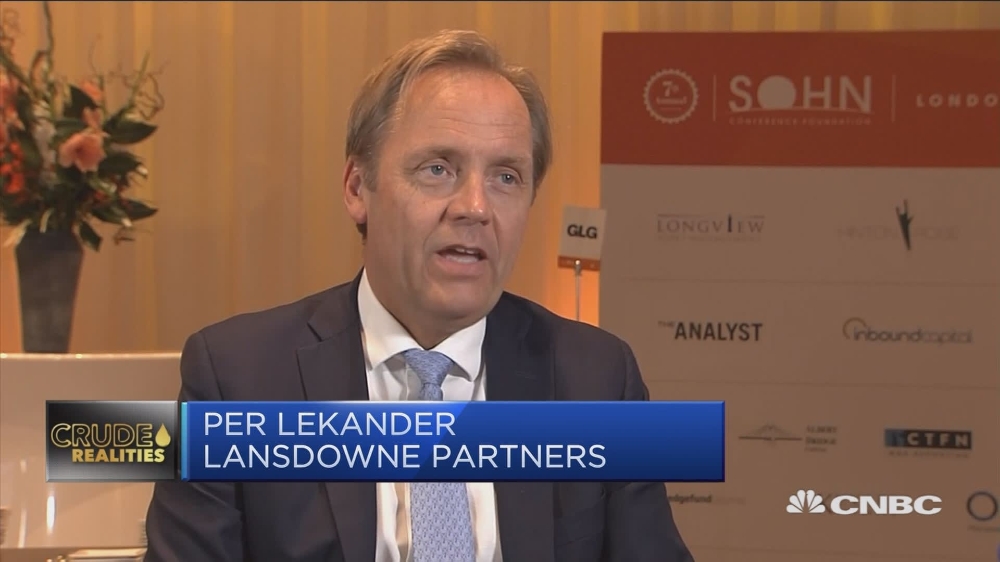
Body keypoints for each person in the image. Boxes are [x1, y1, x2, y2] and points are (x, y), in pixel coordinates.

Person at [144, 29, 693, 562]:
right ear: (357, 188)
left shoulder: (597, 380)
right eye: (438, 169)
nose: (475, 207)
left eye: (506, 177)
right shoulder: (239, 380)